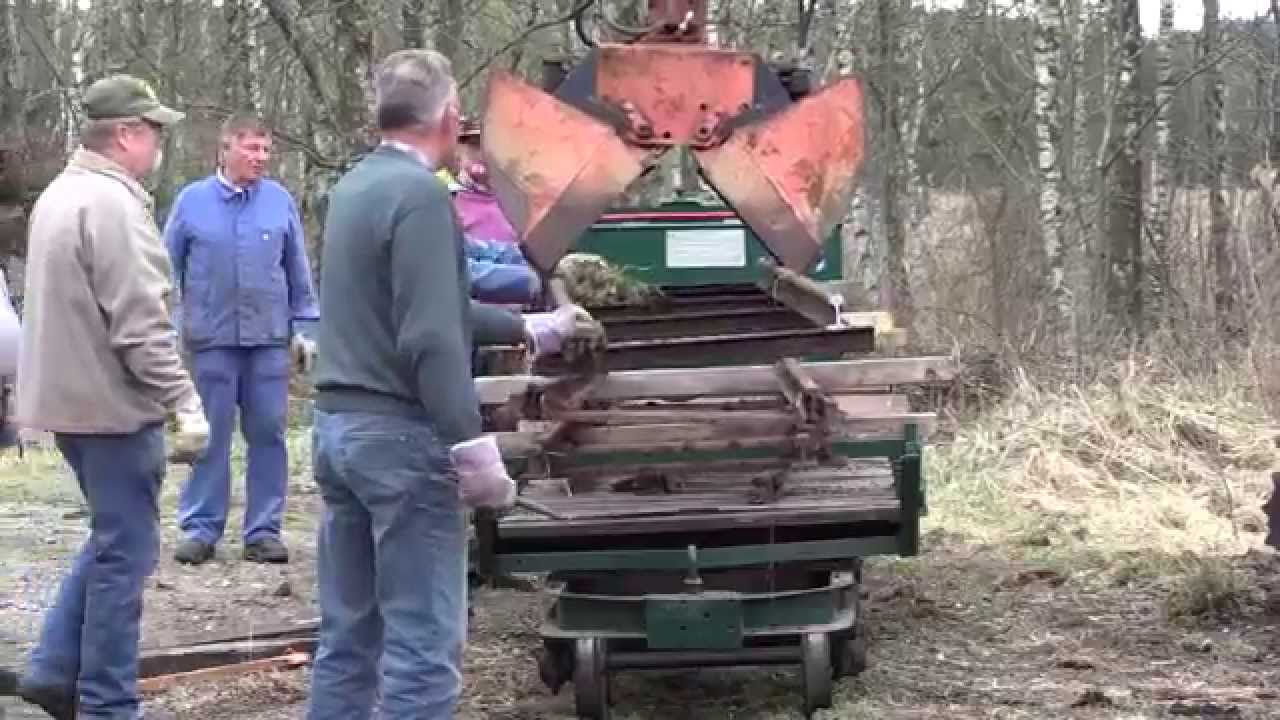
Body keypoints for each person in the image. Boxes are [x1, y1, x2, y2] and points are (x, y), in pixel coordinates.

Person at [305, 49, 594, 720]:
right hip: (400, 440)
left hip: (338, 431)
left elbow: (418, 305)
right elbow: (430, 337)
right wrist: (471, 446)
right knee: (424, 645)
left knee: (349, 637)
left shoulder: (353, 188)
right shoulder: (423, 198)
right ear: (449, 116)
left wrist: (533, 329)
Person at [0, 74, 210, 720]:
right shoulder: (114, 205)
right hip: (112, 407)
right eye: (154, 132)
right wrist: (184, 401)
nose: (159, 145)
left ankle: (55, 670)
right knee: (126, 558)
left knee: (113, 539)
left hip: (69, 405)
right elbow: (140, 322)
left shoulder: (62, 195)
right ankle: (108, 703)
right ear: (126, 134)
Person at [164, 114, 319, 566]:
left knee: (268, 433)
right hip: (209, 339)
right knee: (209, 435)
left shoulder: (278, 201)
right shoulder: (192, 202)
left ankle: (263, 530)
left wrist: (305, 327)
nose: (261, 158)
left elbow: (297, 271)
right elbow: (164, 269)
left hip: (268, 340)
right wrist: (170, 326)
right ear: (225, 150)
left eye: (266, 150)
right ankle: (201, 527)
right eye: (252, 149)